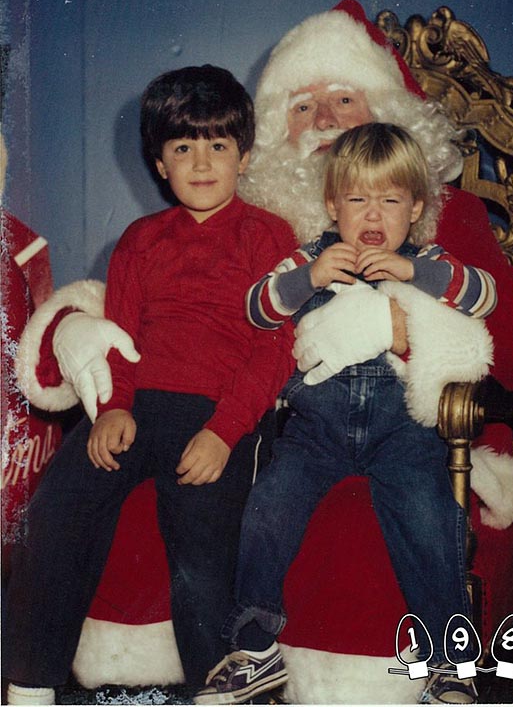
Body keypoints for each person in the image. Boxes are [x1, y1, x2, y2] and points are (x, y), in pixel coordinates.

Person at [13, 0, 513, 702]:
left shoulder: (442, 219)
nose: (322, 118)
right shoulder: (265, 230)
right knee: (227, 504)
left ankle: (444, 659)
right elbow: (185, 307)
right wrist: (74, 326)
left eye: (343, 98)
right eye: (301, 105)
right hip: (294, 428)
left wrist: (397, 329)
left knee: (403, 509)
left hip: (392, 428)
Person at [2, 65, 297, 706]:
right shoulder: (140, 241)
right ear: (160, 164)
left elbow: (275, 349)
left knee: (202, 543)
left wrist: (224, 433)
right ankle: (30, 684)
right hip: (137, 408)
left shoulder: (267, 234)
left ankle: (217, 685)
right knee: (56, 510)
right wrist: (112, 408)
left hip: (220, 414)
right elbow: (119, 337)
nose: (201, 162)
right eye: (183, 147)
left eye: (218, 145)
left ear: (244, 157)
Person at [194, 122, 495, 705]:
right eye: (357, 200)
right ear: (334, 206)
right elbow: (256, 307)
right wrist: (307, 278)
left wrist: (413, 274)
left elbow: (484, 295)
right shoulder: (314, 256)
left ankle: (450, 661)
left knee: (429, 514)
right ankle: (257, 648)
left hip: (402, 431)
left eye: (390, 201)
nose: (373, 215)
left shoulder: (425, 259)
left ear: (415, 209)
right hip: (316, 432)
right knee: (268, 505)